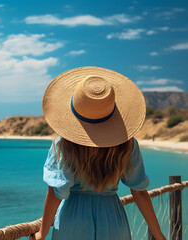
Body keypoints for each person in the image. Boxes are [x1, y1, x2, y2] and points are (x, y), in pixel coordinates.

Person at [29, 67, 165, 240]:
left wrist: (42, 233)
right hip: (113, 218)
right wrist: (159, 235)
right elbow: (139, 192)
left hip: (73, 219)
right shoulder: (127, 144)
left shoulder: (63, 145)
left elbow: (58, 191)